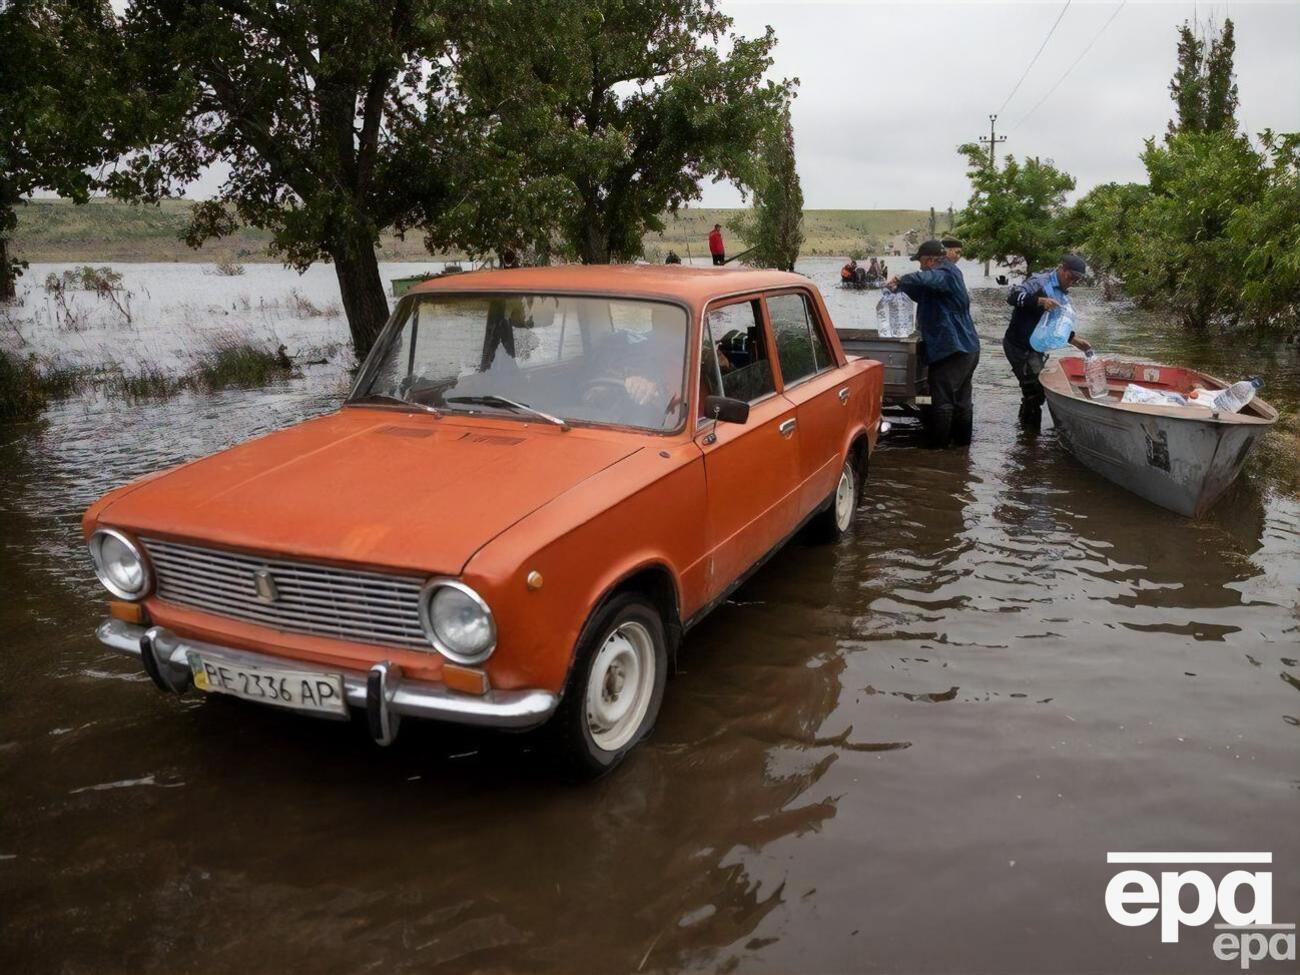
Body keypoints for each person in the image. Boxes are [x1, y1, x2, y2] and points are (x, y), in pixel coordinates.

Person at [887, 239, 981, 448]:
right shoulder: (940, 280)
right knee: (961, 399)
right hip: (967, 347)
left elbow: (930, 279)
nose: (919, 266)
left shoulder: (946, 273)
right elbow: (922, 292)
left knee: (943, 399)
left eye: (920, 262)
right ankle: (962, 448)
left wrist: (902, 279)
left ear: (930, 260)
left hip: (953, 349)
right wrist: (900, 288)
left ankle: (939, 450)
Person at [1003, 253, 1092, 432]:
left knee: (1038, 391)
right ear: (1061, 269)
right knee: (1032, 390)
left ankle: (1026, 435)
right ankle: (1029, 437)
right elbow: (1012, 297)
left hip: (1035, 347)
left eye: (1076, 280)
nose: (1071, 282)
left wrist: (1074, 340)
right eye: (1070, 277)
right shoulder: (1039, 282)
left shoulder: (1061, 296)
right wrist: (1039, 301)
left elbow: (1055, 325)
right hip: (1017, 345)